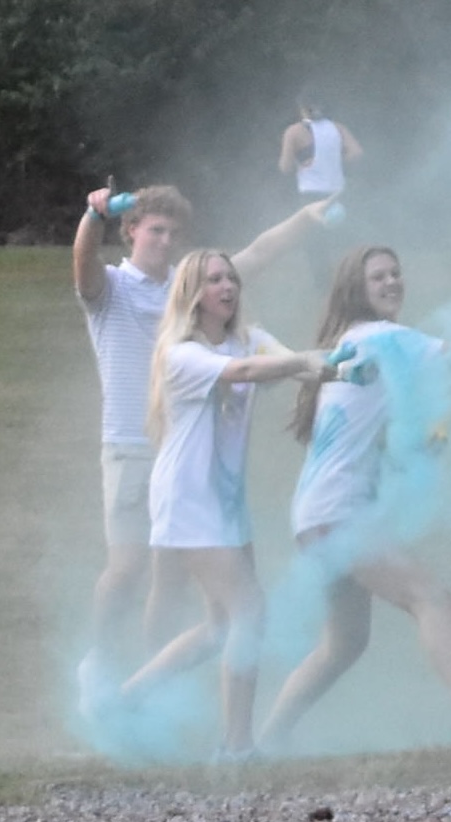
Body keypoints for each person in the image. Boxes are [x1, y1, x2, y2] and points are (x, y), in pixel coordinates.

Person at [73, 183, 343, 718]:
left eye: (174, 233)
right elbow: (83, 259)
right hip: (132, 445)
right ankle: (98, 665)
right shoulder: (112, 289)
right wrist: (91, 216)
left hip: (186, 453)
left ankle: (152, 686)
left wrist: (306, 218)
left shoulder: (191, 285)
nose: (165, 241)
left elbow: (258, 254)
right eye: (155, 230)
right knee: (128, 569)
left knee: (173, 581)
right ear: (131, 231)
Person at [259, 245, 451, 751]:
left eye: (395, 273)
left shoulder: (356, 342)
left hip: (319, 513)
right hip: (336, 514)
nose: (391, 282)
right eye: (378, 277)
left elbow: (377, 431)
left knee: (343, 643)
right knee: (431, 597)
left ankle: (264, 744)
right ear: (356, 291)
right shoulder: (383, 337)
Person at [116, 249, 335, 761]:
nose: (227, 286)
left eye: (230, 277)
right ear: (193, 294)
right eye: (214, 280)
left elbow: (286, 360)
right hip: (189, 499)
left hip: (225, 498)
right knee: (249, 613)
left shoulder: (248, 336)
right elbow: (245, 370)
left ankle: (125, 700)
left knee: (221, 626)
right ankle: (236, 746)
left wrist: (339, 368)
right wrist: (303, 362)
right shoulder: (181, 353)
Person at [278, 86, 364, 292]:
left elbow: (285, 167)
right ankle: (351, 287)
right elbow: (357, 152)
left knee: (316, 248)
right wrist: (335, 161)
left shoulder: (294, 132)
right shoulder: (338, 128)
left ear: (301, 108)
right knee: (343, 242)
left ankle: (323, 293)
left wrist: (303, 164)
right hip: (338, 193)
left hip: (311, 196)